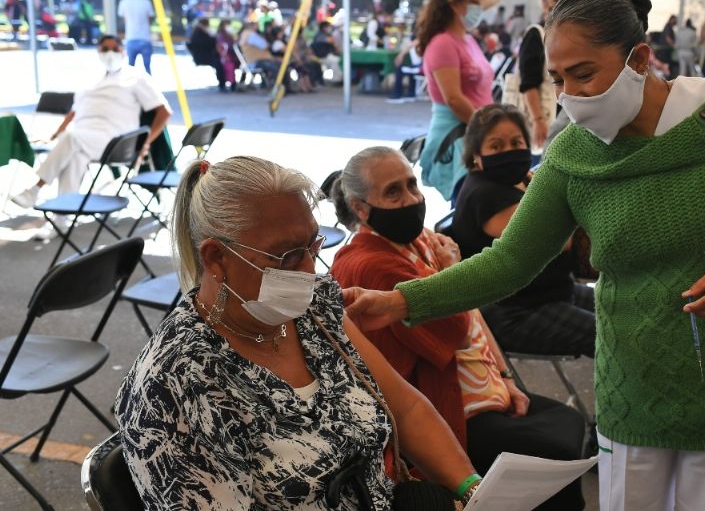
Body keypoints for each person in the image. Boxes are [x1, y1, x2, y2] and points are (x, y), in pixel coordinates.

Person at [343, 0, 705, 511]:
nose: (570, 97)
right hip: (633, 393)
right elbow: (511, 260)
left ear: (640, 60)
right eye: (559, 80)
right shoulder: (572, 153)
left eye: (584, 74)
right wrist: (401, 302)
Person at [116, 156, 482, 510]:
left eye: (313, 245)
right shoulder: (174, 385)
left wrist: (473, 489)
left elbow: (405, 408)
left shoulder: (313, 308)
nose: (309, 271)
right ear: (216, 258)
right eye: (287, 256)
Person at [328, 147, 586, 511]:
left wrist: (505, 376)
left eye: (412, 185)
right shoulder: (371, 264)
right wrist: (452, 272)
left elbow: (475, 316)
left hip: (476, 387)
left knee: (566, 424)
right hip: (439, 406)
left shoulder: (415, 241)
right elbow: (452, 330)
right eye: (393, 192)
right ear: (360, 209)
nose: (412, 199)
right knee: (553, 450)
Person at [453, 104, 595, 358]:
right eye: (496, 146)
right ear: (476, 154)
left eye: (516, 142)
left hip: (554, 292)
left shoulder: (518, 179)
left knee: (628, 308)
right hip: (517, 311)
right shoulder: (485, 194)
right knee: (617, 334)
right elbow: (555, 241)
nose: (509, 152)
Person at [10, 35, 171, 208]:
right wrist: (54, 135)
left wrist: (145, 142)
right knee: (75, 159)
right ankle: (62, 219)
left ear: (122, 52)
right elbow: (74, 111)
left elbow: (164, 111)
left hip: (116, 141)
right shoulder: (91, 80)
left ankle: (35, 189)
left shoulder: (136, 77)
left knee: (71, 139)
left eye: (114, 49)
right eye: (105, 49)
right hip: (84, 138)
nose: (110, 53)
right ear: (98, 52)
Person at [416, 0, 499, 203]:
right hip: (461, 134)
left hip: (476, 129)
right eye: (472, 1)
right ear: (454, 4)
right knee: (469, 201)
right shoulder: (443, 43)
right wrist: (486, 132)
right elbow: (453, 98)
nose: (478, 7)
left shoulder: (468, 40)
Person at [516, 0, 573, 149]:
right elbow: (528, 83)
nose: (561, 4)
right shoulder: (536, 34)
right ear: (544, 3)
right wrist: (538, 120)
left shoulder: (569, 37)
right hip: (544, 118)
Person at [118, 0, 155, 74]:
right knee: (147, 67)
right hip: (145, 38)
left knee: (130, 68)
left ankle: (130, 88)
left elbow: (124, 19)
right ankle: (149, 87)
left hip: (131, 37)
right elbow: (150, 19)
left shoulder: (124, 2)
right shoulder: (146, 2)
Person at [188, 18, 228, 92]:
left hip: (206, 55)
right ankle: (222, 85)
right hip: (203, 56)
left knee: (221, 62)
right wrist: (212, 36)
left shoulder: (200, 32)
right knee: (219, 64)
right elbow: (208, 43)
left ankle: (224, 82)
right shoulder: (198, 33)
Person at [215, 19, 239, 91]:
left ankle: (232, 84)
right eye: (226, 25)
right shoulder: (220, 35)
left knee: (231, 69)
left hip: (231, 55)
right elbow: (219, 46)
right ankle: (224, 85)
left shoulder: (229, 35)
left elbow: (234, 43)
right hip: (225, 56)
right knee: (227, 70)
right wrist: (224, 56)